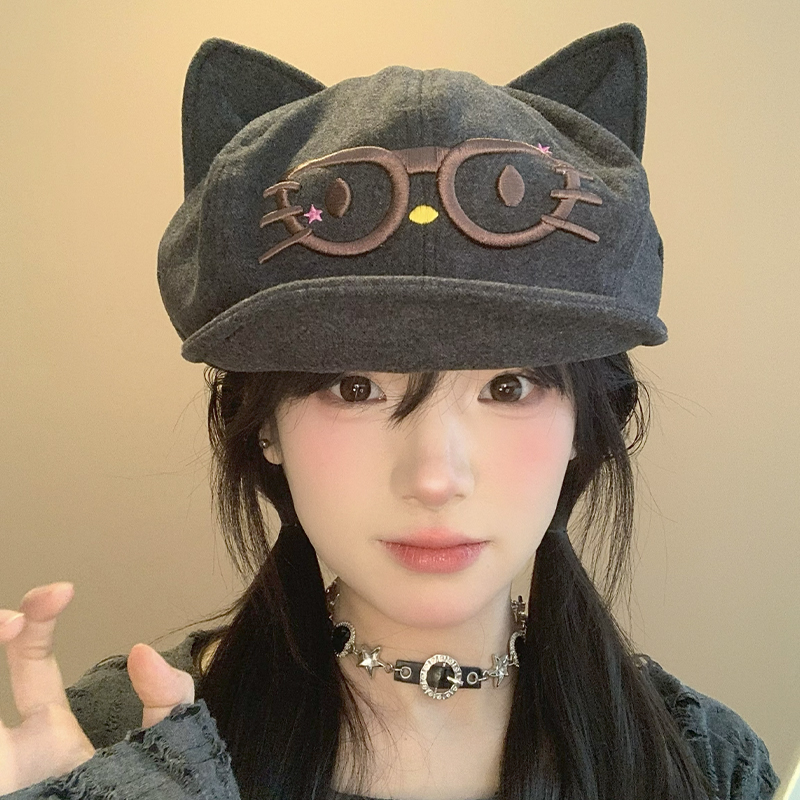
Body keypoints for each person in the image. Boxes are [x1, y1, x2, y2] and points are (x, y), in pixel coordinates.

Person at [0, 22, 781, 800]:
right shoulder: (112, 747)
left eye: (509, 387)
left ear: (585, 423)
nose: (435, 478)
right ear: (263, 424)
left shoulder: (707, 767)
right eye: (354, 388)